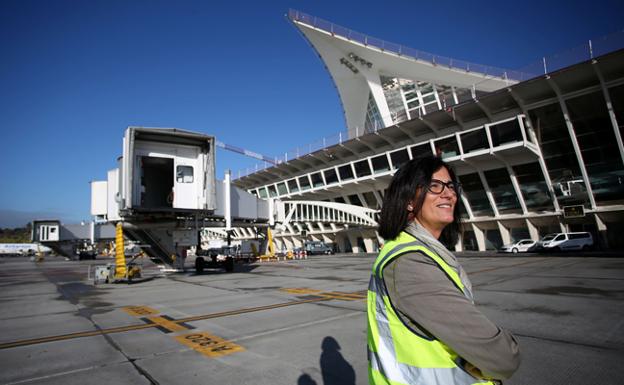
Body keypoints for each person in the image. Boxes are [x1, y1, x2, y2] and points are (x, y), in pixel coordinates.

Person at [367, 155, 520, 385]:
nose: (449, 194)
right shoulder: (410, 263)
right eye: (435, 186)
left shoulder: (410, 250)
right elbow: (503, 358)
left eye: (451, 186)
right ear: (409, 200)